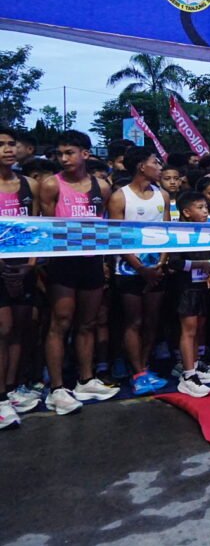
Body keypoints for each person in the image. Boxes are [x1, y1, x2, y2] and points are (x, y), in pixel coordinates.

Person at [39, 131, 119, 414]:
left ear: (85, 154)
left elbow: (107, 227)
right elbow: (46, 228)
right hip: (63, 263)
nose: (64, 158)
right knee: (60, 322)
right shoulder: (51, 185)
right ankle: (57, 388)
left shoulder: (102, 187)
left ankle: (86, 380)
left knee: (88, 322)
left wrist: (105, 261)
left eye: (69, 153)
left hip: (92, 262)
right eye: (60, 154)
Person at [108, 147, 172, 395]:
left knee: (152, 321)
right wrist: (140, 268)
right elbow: (117, 237)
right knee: (133, 321)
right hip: (129, 269)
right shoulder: (119, 197)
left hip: (157, 268)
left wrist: (161, 263)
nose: (159, 167)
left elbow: (168, 232)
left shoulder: (162, 195)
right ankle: (137, 373)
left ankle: (144, 366)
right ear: (141, 166)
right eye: (155, 162)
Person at [0, 127, 39, 427]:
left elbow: (39, 227)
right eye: (1, 144)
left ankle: (12, 388)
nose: (7, 149)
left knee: (19, 330)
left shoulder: (29, 185)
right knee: (3, 329)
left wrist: (31, 263)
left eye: (11, 144)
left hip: (23, 267)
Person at [165, 192, 210, 398]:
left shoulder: (209, 230)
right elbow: (174, 263)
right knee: (188, 331)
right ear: (187, 212)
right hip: (185, 288)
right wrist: (201, 265)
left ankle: (195, 366)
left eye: (206, 207)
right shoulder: (178, 231)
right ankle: (188, 376)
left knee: (199, 328)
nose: (205, 211)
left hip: (203, 286)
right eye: (200, 207)